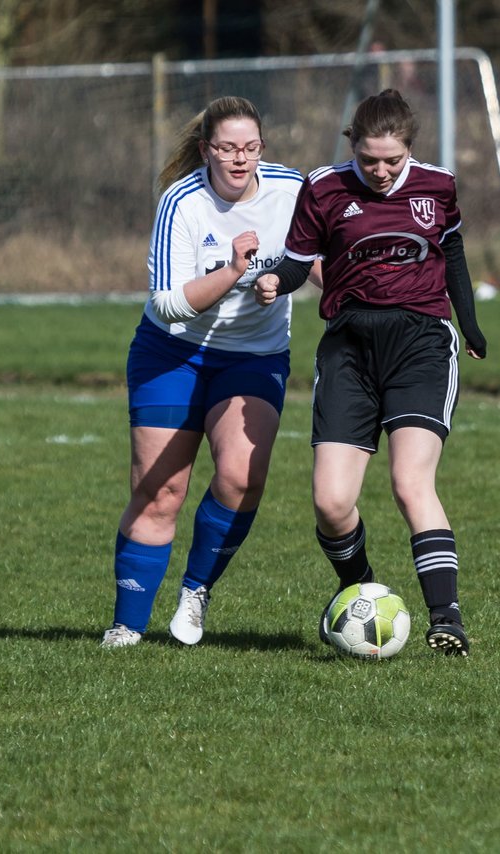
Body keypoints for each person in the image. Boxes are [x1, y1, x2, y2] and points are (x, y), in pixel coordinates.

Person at [255, 89, 487, 657]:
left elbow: (451, 252)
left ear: (410, 148)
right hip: (349, 349)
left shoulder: (439, 185)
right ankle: (358, 591)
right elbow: (295, 261)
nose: (380, 171)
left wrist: (471, 323)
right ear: (352, 147)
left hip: (421, 345)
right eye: (368, 160)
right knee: (332, 503)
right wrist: (274, 283)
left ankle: (446, 618)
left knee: (411, 484)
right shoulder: (324, 187)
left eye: (392, 159)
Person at [102, 96, 312, 648]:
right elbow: (169, 304)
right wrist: (238, 270)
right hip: (172, 352)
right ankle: (127, 626)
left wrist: (309, 281)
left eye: (250, 147)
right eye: (226, 148)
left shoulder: (292, 190)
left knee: (243, 476)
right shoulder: (183, 201)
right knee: (161, 492)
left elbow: (316, 258)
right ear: (205, 150)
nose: (240, 159)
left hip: (256, 356)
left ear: (262, 146)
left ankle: (195, 592)